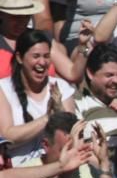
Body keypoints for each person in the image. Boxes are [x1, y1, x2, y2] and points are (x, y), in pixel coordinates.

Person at [0, 31, 77, 167]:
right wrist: (48, 118)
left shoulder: (60, 87)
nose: (42, 62)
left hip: (59, 164)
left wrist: (61, 112)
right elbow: (7, 135)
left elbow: (73, 134)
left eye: (46, 56)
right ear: (19, 58)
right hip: (19, 171)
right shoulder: (3, 89)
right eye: (36, 56)